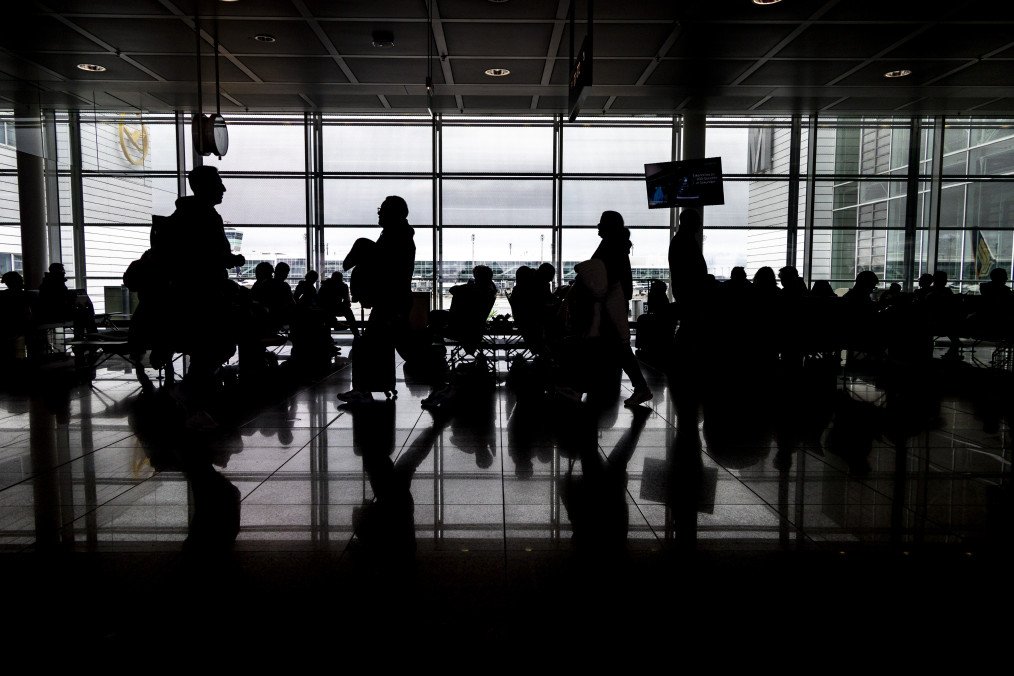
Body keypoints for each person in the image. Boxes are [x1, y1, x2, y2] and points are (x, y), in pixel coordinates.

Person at [338, 196, 416, 403]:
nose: (379, 213)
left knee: (387, 347)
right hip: (393, 301)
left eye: (382, 210)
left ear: (392, 214)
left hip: (391, 302)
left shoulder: (395, 238)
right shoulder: (398, 236)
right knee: (386, 346)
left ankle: (363, 390)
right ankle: (364, 389)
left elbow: (387, 271)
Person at [591, 210, 652, 408]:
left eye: (601, 223)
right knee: (619, 347)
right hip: (615, 303)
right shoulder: (618, 246)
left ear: (608, 226)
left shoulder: (609, 246)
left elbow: (600, 273)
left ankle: (640, 387)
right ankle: (640, 387)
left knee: (617, 347)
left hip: (609, 304)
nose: (598, 226)